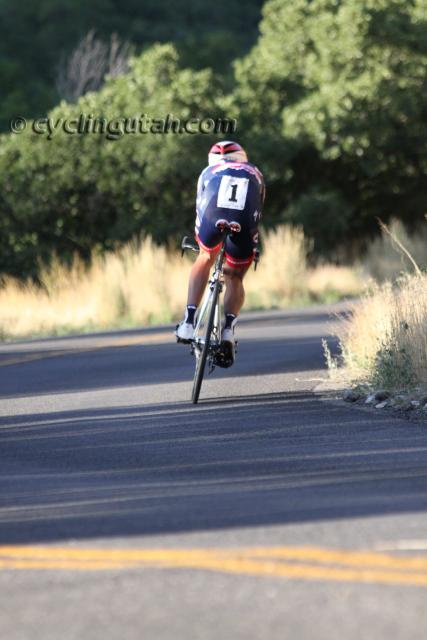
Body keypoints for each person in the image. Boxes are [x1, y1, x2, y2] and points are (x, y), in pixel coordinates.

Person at [175, 140, 265, 365]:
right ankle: (228, 331)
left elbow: (200, 205)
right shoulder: (255, 172)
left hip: (213, 212)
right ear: (242, 158)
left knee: (205, 256)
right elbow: (258, 209)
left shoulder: (208, 171)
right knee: (235, 275)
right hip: (244, 218)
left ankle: (188, 322)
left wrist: (205, 243)